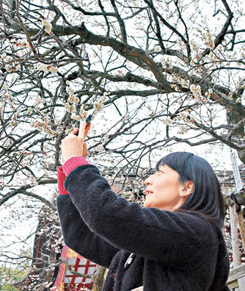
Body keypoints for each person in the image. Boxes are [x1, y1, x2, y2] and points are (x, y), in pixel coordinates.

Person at [56, 121, 230, 291]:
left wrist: (76, 163)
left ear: (186, 187)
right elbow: (80, 236)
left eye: (160, 173)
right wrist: (68, 173)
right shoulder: (146, 247)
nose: (148, 180)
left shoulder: (196, 233)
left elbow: (105, 215)